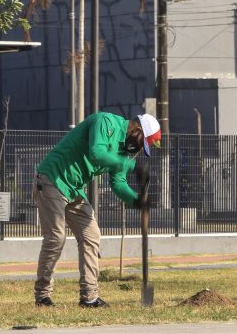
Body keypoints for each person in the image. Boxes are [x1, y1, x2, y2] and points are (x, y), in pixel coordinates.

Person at [32, 112, 161, 308]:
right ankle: (42, 296)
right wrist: (133, 166)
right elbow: (97, 153)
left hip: (74, 189)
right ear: (137, 130)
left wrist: (137, 201)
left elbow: (118, 183)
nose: (137, 150)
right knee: (56, 237)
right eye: (141, 142)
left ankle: (89, 297)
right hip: (52, 179)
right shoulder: (106, 122)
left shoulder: (124, 151)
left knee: (91, 235)